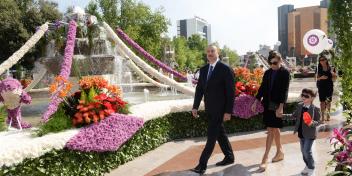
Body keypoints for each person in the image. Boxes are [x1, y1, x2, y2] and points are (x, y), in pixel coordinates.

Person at [191, 44, 235, 174]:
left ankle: (202, 164)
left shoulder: (225, 69)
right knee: (220, 134)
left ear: (218, 53)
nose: (210, 53)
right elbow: (199, 89)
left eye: (212, 51)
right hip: (209, 108)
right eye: (208, 51)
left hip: (220, 109)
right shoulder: (203, 69)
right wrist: (195, 106)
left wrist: (228, 111)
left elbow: (230, 92)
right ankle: (229, 157)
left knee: (211, 136)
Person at [251, 50, 290, 172]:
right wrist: (256, 101)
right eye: (271, 63)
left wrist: (281, 106)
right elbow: (262, 88)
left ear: (280, 60)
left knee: (271, 129)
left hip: (277, 105)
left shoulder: (285, 73)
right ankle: (280, 152)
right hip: (268, 104)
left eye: (275, 62)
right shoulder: (267, 73)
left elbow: (285, 90)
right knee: (274, 128)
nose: (273, 65)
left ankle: (265, 158)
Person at [292, 88, 321, 175]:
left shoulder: (315, 109)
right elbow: (293, 115)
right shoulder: (300, 106)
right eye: (302, 95)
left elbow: (318, 122)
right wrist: (282, 115)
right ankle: (307, 165)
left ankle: (311, 167)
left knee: (307, 151)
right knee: (303, 151)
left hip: (310, 134)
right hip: (301, 133)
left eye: (306, 96)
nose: (303, 97)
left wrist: (312, 123)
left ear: (312, 98)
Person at [316, 55, 336, 122]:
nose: (322, 61)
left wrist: (334, 75)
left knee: (328, 101)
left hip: (329, 86)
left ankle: (328, 115)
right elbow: (315, 78)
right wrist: (321, 78)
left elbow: (335, 78)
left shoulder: (330, 67)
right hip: (321, 86)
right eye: (320, 60)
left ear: (326, 60)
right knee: (322, 101)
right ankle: (322, 117)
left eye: (323, 60)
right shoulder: (318, 68)